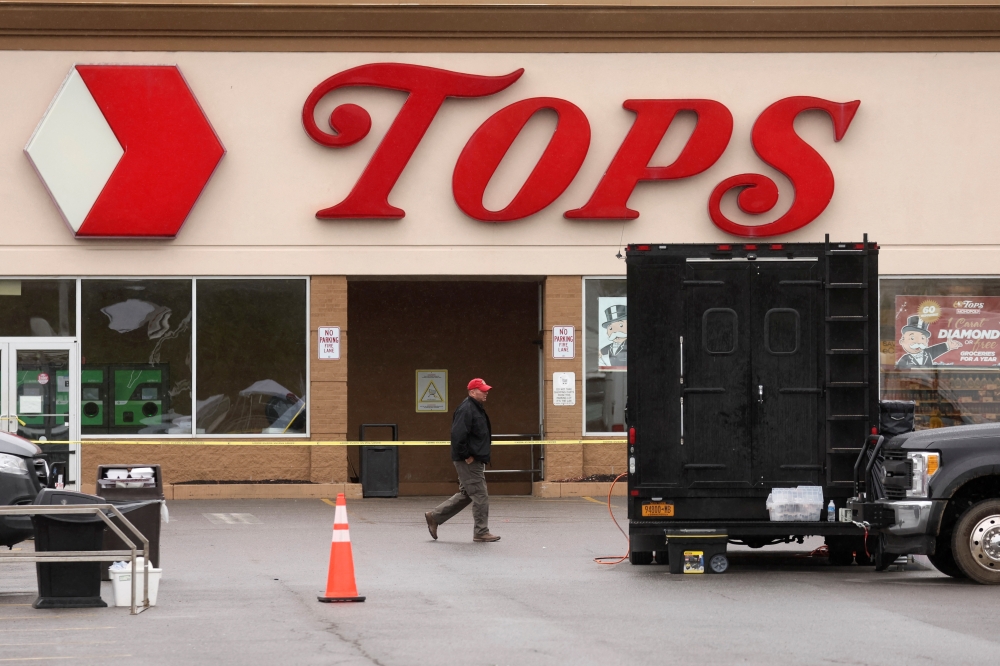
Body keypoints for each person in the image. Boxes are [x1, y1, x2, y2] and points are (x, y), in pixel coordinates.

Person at [424, 378, 500, 542]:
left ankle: (434, 517)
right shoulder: (467, 409)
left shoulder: (476, 408)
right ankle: (481, 532)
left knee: (467, 494)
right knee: (480, 495)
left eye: (486, 389)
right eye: (482, 390)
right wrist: (467, 456)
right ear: (472, 392)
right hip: (469, 461)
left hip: (473, 460)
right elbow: (457, 436)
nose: (486, 392)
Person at [896, 314, 962, 368]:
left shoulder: (927, 353)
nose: (918, 342)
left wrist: (948, 345)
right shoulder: (904, 359)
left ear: (927, 341)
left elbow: (938, 349)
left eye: (922, 338)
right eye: (912, 338)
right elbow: (898, 373)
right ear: (902, 341)